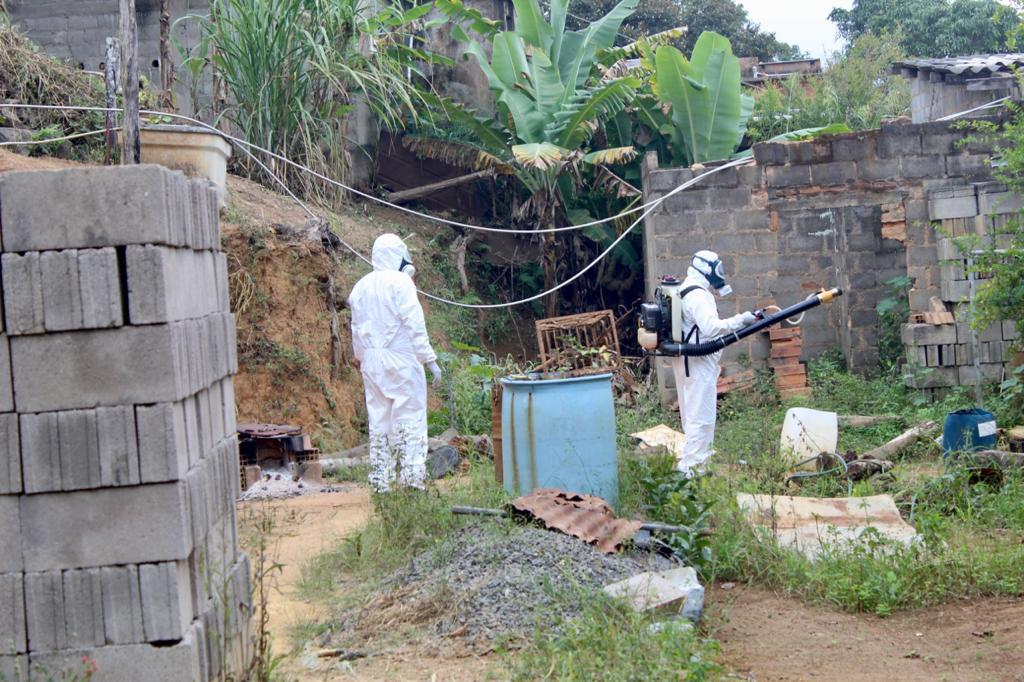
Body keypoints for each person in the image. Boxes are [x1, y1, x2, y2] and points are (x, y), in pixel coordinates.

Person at [348, 234, 442, 492]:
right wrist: (429, 359)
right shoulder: (401, 282)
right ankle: (412, 478)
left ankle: (381, 481)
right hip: (401, 360)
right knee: (410, 417)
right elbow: (414, 323)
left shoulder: (360, 286)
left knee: (379, 421)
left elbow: (355, 327)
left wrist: (359, 356)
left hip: (372, 361)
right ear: (397, 254)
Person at [671, 250, 757, 475]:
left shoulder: (685, 287)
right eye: (717, 269)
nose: (720, 274)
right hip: (698, 360)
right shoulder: (698, 294)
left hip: (687, 359)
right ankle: (693, 470)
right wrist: (741, 320)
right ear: (707, 269)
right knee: (702, 416)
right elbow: (710, 328)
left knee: (691, 414)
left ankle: (694, 461)